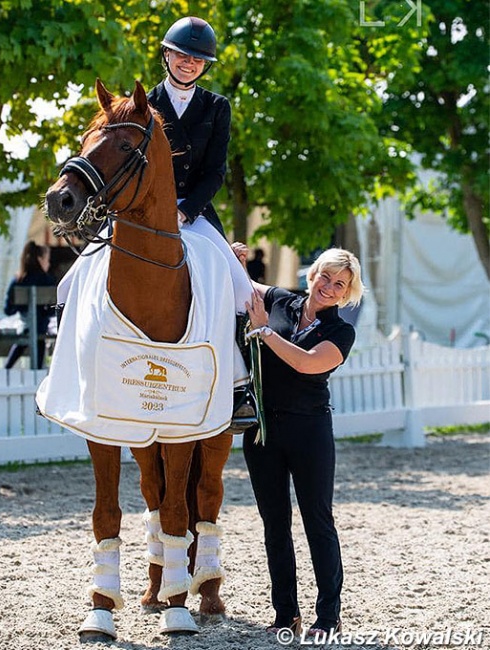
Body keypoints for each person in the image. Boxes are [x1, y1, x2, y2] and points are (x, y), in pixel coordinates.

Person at [232, 242, 365, 639]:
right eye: (326, 276)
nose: (330, 286)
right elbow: (242, 285)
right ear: (313, 273)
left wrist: (262, 332)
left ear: (347, 292)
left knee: (317, 522)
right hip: (263, 432)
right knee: (275, 524)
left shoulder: (341, 330)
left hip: (309, 432)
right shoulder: (279, 300)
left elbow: (307, 364)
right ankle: (285, 613)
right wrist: (234, 259)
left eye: (340, 284)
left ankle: (328, 616)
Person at [148, 17, 256, 426]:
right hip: (142, 209)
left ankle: (242, 386)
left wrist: (184, 210)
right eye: (181, 55)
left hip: (193, 210)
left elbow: (215, 172)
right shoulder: (143, 102)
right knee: (75, 277)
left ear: (204, 66)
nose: (188, 64)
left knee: (240, 286)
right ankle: (67, 371)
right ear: (167, 55)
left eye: (197, 59)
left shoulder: (217, 107)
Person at [4, 241, 56, 369]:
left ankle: (6, 369)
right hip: (41, 330)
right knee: (39, 338)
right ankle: (37, 373)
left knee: (23, 339)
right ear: (40, 259)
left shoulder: (18, 280)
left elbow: (8, 310)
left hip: (24, 328)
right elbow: (51, 310)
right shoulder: (47, 280)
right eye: (47, 260)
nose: (49, 264)